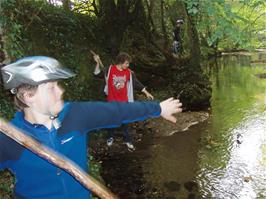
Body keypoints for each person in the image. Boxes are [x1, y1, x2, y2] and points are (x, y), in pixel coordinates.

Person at [0, 56, 182, 199]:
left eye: (58, 85)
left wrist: (158, 108)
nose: (60, 91)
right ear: (27, 96)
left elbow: (117, 111)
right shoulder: (10, 138)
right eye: (51, 88)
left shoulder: (76, 115)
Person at [93, 52, 154, 151]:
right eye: (126, 63)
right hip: (112, 101)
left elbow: (137, 83)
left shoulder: (128, 73)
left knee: (125, 123)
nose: (128, 65)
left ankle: (127, 140)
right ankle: (110, 137)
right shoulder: (109, 70)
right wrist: (97, 62)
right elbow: (96, 74)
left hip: (124, 102)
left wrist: (146, 93)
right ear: (121, 62)